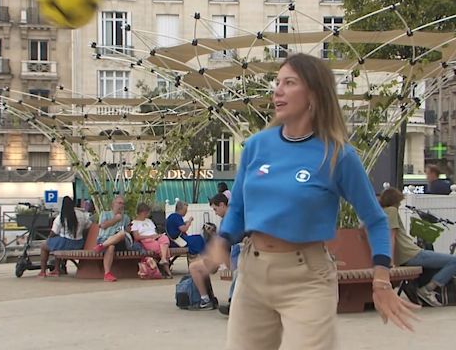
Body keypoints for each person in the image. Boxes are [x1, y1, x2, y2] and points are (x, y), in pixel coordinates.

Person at [204, 53, 419, 350]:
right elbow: (238, 207)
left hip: (307, 279)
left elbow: (376, 220)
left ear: (314, 95)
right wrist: (222, 241)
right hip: (252, 275)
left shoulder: (338, 155)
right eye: (276, 82)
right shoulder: (256, 146)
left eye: (289, 82)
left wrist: (381, 280)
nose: (277, 90)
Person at [381, 187, 456, 307]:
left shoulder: (382, 212)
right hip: (411, 254)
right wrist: (390, 261)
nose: (399, 205)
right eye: (399, 202)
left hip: (409, 254)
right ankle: (427, 290)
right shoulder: (391, 211)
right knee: (454, 261)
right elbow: (392, 236)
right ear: (394, 201)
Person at [188, 193, 235, 310]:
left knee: (194, 267)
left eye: (215, 209)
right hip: (228, 255)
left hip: (227, 256)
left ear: (222, 205)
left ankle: (205, 300)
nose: (215, 212)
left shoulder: (228, 220)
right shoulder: (231, 217)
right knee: (199, 264)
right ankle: (209, 298)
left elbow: (222, 244)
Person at [38, 196, 91, 277]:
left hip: (66, 243)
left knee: (44, 246)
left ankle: (43, 271)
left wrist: (48, 239)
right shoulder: (81, 215)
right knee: (57, 243)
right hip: (79, 243)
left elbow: (53, 232)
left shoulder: (60, 217)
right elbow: (88, 226)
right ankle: (56, 269)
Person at [92, 196, 132, 282]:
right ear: (113, 204)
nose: (121, 205)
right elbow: (103, 226)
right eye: (119, 203)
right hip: (104, 238)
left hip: (120, 242)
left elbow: (128, 231)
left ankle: (102, 246)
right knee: (111, 246)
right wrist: (116, 219)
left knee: (122, 233)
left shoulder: (126, 217)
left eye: (123, 204)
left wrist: (129, 228)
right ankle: (107, 274)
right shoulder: (105, 214)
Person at [131, 202, 173, 278]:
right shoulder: (135, 223)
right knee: (163, 248)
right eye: (147, 212)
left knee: (164, 238)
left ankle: (163, 260)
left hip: (155, 238)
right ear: (143, 212)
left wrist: (157, 236)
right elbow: (136, 237)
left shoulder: (149, 221)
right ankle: (167, 271)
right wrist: (150, 236)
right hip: (146, 240)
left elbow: (154, 231)